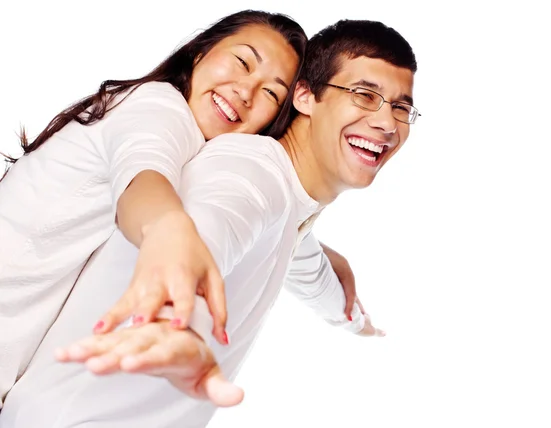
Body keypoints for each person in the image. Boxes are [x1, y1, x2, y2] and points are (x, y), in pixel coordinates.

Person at [0, 18, 419, 428]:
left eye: (401, 107)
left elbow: (292, 250)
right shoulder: (169, 116)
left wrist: (346, 313)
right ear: (306, 98)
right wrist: (178, 298)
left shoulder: (275, 196)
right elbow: (185, 210)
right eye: (364, 95)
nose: (386, 122)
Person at [0, 9, 309, 407]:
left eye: (271, 93)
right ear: (199, 53)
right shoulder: (160, 110)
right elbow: (145, 175)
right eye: (241, 61)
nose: (245, 91)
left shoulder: (194, 144)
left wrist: (328, 270)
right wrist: (166, 227)